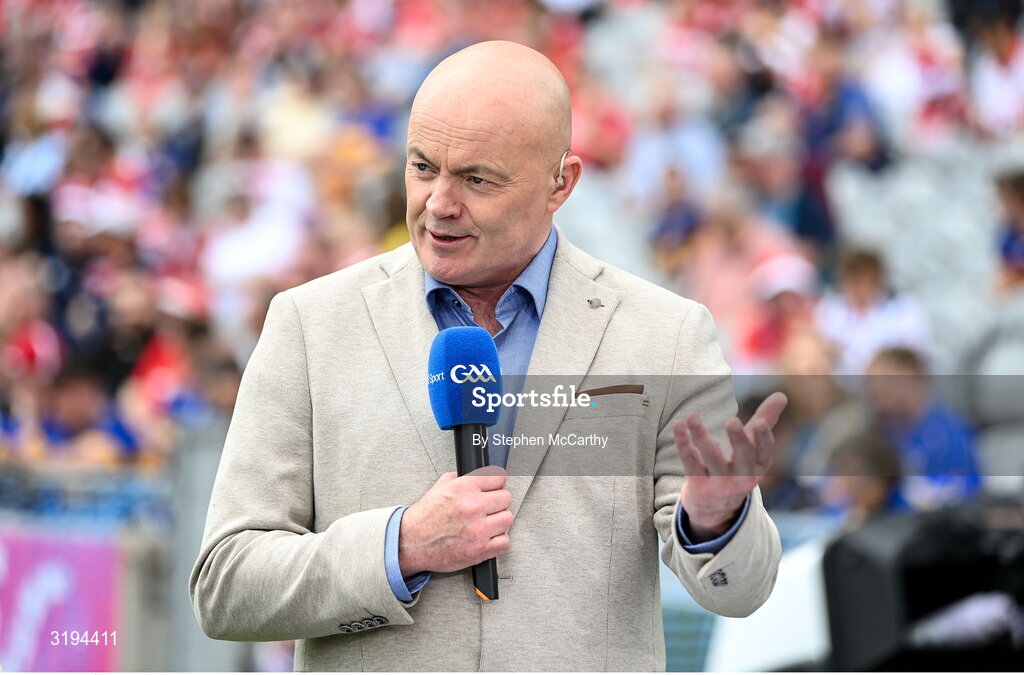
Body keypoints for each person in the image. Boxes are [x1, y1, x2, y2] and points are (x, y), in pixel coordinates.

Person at [189, 41, 785, 672]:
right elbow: (227, 586)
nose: (439, 203)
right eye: (423, 168)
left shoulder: (665, 336)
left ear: (562, 183)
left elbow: (740, 591)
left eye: (477, 179)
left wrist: (715, 521)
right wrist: (400, 546)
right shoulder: (309, 325)